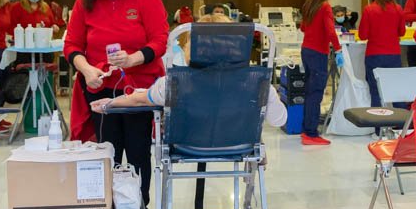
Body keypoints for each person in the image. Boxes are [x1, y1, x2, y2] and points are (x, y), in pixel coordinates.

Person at [64, 0, 168, 209]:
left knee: (137, 154)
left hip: (138, 90)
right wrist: (86, 69)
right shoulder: (85, 2)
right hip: (100, 88)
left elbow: (160, 39)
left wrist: (134, 58)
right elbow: (72, 45)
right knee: (106, 153)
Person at [91, 14, 287, 129]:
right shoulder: (258, 84)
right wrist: (273, 94)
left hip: (186, 147)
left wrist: (109, 103)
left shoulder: (174, 83)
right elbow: (279, 121)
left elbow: (138, 100)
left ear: (193, 46)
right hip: (239, 147)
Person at [298, 0, 341, 146]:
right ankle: (311, 133)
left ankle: (306, 129)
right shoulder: (325, 7)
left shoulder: (309, 5)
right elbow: (330, 31)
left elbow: (303, 27)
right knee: (316, 93)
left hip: (306, 51)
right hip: (318, 53)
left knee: (309, 91)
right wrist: (338, 49)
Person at [357, 0, 406, 108]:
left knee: (375, 92)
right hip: (393, 56)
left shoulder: (369, 10)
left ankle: (378, 120)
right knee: (396, 91)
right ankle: (401, 119)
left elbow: (362, 35)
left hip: (374, 56)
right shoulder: (398, 9)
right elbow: (402, 32)